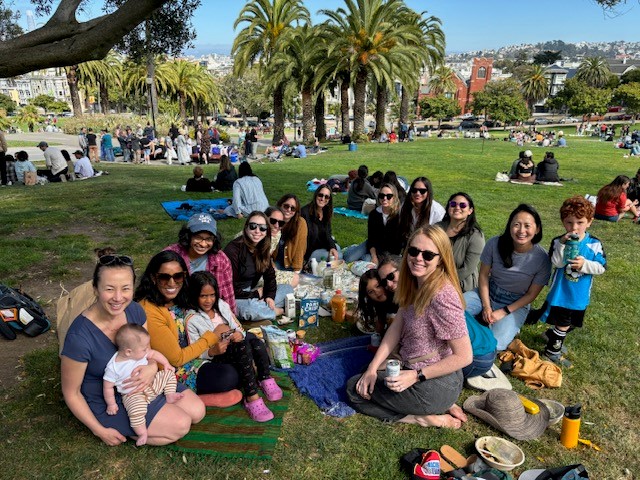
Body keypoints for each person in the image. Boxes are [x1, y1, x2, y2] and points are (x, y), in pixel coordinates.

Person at [61, 254, 204, 446]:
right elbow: (72, 393)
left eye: (126, 288)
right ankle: (134, 430)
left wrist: (151, 368)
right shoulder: (79, 336)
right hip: (109, 399)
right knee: (181, 424)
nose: (118, 298)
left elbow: (147, 352)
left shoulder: (135, 310)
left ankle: (149, 420)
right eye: (109, 289)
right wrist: (99, 430)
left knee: (197, 411)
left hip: (144, 382)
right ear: (95, 289)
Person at [347, 225, 472, 428]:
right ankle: (440, 405)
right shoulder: (415, 282)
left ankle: (421, 417)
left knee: (354, 389)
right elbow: (396, 327)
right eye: (413, 251)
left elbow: (464, 356)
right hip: (415, 368)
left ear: (441, 259)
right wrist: (371, 369)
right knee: (365, 373)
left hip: (433, 380)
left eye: (428, 255)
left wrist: (416, 376)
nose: (418, 258)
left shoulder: (443, 295)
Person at [135, 251, 242, 406]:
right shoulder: (150, 310)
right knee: (229, 376)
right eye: (164, 277)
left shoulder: (181, 296)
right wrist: (212, 336)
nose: (172, 283)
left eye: (177, 276)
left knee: (244, 350)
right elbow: (176, 359)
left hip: (200, 352)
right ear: (153, 278)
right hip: (174, 368)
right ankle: (196, 399)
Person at [185, 272, 282, 422]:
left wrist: (239, 334)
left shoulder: (222, 306)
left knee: (256, 343)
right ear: (193, 295)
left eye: (212, 295)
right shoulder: (192, 320)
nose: (208, 300)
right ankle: (251, 397)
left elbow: (239, 327)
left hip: (236, 346)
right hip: (219, 355)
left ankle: (265, 378)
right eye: (203, 296)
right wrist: (211, 351)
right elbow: (195, 349)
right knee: (243, 347)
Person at [464, 204, 551, 350]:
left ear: (537, 229)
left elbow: (531, 295)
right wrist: (486, 306)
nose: (521, 231)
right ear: (509, 227)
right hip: (487, 292)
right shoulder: (494, 243)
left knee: (495, 344)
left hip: (516, 303)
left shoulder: (542, 259)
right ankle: (481, 320)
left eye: (527, 226)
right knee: (452, 312)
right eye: (516, 225)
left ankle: (497, 325)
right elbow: (484, 275)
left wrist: (503, 312)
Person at [536, 196, 606, 368]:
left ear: (589, 222)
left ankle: (552, 335)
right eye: (569, 223)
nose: (574, 228)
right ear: (563, 222)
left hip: (579, 295)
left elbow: (601, 267)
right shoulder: (558, 241)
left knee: (571, 323)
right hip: (561, 293)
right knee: (564, 323)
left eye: (580, 222)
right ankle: (552, 351)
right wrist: (561, 244)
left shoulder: (594, 244)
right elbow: (557, 263)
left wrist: (585, 265)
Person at [103, 324, 184, 445]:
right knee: (136, 413)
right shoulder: (113, 368)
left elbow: (154, 354)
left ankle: (169, 394)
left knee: (168, 374)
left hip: (151, 384)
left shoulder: (139, 353)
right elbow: (107, 387)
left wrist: (166, 364)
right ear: (128, 352)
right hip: (133, 395)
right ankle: (142, 432)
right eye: (144, 349)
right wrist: (111, 404)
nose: (147, 350)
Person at [223, 212, 294, 321]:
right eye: (253, 226)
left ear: (266, 231)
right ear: (246, 228)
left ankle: (262, 308)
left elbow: (270, 276)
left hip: (252, 292)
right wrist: (256, 294)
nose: (257, 231)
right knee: (250, 309)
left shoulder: (262, 247)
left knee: (287, 289)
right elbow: (230, 289)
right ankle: (275, 311)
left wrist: (269, 296)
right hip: (234, 297)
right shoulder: (233, 251)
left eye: (262, 228)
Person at [164, 213, 236, 314]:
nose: (203, 244)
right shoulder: (170, 255)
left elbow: (228, 294)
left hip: (207, 310)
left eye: (208, 239)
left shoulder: (221, 259)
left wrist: (232, 319)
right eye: (198, 237)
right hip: (175, 309)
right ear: (188, 236)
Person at [436, 192, 485, 292]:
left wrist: (441, 282)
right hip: (433, 278)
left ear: (470, 211)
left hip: (460, 285)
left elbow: (467, 269)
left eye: (462, 205)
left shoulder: (476, 236)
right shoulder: (437, 228)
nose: (457, 207)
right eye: (453, 204)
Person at [344, 183, 403, 264]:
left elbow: (400, 243)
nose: (385, 198)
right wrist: (374, 256)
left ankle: (364, 255)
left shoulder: (400, 215)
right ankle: (353, 248)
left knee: (368, 261)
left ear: (394, 197)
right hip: (374, 246)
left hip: (390, 252)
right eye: (382, 196)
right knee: (348, 259)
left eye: (389, 196)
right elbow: (372, 239)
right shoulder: (374, 214)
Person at [398, 177, 445, 247]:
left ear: (428, 192)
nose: (417, 193)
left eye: (422, 191)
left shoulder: (437, 211)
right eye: (414, 190)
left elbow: (439, 237)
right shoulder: (404, 206)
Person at [301, 185, 341, 262]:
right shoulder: (305, 213)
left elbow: (328, 233)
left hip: (321, 245)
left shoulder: (325, 211)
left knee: (337, 248)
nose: (323, 199)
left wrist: (331, 247)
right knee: (338, 255)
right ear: (316, 195)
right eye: (320, 195)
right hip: (309, 251)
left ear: (329, 200)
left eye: (326, 197)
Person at [355, 269, 397, 335]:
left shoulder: (399, 299)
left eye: (378, 286)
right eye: (371, 292)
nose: (377, 292)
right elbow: (380, 324)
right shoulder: (379, 304)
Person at [265, 206, 299, 288]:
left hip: (264, 270)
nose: (277, 226)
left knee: (295, 278)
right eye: (273, 221)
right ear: (265, 218)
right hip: (248, 277)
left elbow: (268, 255)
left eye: (280, 223)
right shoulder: (257, 234)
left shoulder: (277, 234)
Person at [275, 194, 308, 273]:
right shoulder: (273, 220)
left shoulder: (300, 223)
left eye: (293, 208)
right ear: (280, 206)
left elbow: (300, 249)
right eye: (286, 206)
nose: (289, 210)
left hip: (291, 266)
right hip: (274, 264)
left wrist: (296, 272)